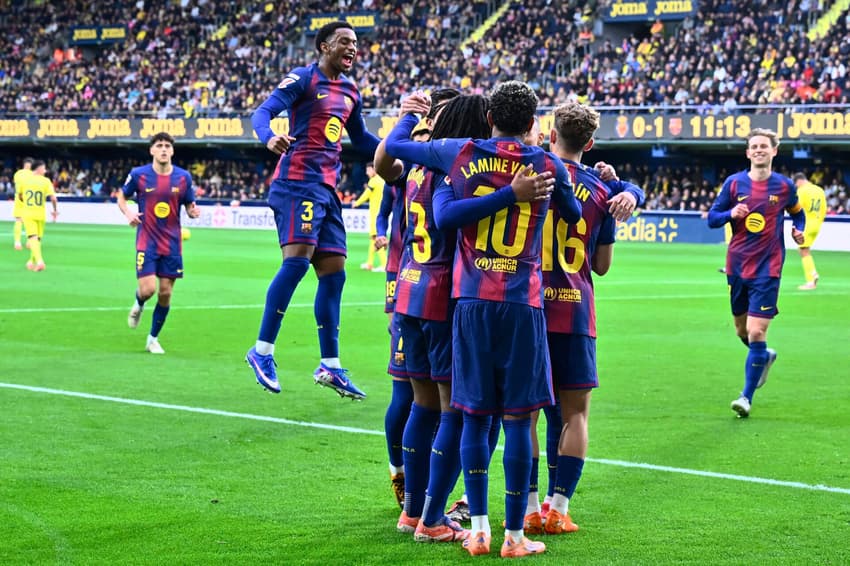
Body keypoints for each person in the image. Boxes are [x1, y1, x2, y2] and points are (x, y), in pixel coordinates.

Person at [386, 81, 581, 558]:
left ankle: (476, 530)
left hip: (468, 301)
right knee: (517, 420)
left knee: (469, 415)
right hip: (521, 303)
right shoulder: (546, 163)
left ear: (490, 118)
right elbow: (574, 213)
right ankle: (513, 536)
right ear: (532, 122)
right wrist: (526, 190)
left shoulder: (458, 153)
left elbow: (397, 149)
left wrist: (410, 114)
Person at [246, 21, 380, 399]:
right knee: (296, 263)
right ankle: (261, 351)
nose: (352, 48)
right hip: (297, 182)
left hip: (327, 189)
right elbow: (263, 112)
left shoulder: (351, 90)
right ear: (324, 46)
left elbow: (361, 139)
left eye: (355, 43)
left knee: (334, 274)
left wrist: (401, 149)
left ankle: (330, 366)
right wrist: (269, 136)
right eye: (344, 41)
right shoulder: (303, 78)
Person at [538, 102, 644, 535]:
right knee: (574, 415)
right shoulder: (602, 191)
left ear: (551, 135)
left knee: (530, 414)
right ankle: (559, 508)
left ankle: (531, 506)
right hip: (574, 312)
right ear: (591, 143)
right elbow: (601, 266)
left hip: (529, 308)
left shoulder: (532, 173)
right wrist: (627, 190)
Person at [707, 129, 805, 418]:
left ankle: (746, 397)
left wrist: (798, 228)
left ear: (774, 151)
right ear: (748, 153)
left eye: (764, 146)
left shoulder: (784, 186)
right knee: (742, 331)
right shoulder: (734, 183)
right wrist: (730, 214)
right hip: (737, 266)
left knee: (756, 330)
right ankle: (763, 355)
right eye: (754, 146)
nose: (759, 149)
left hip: (768, 268)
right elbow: (712, 218)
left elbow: (798, 213)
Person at [117, 132, 201, 354]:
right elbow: (122, 196)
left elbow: (189, 204)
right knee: (148, 290)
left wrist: (192, 211)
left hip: (172, 243)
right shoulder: (138, 175)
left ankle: (152, 339)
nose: (164, 149)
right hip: (147, 241)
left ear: (172, 151)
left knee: (165, 293)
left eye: (167, 146)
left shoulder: (183, 177)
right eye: (159, 145)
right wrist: (128, 213)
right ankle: (139, 303)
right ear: (152, 150)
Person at [18, 160, 58, 271]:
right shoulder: (46, 181)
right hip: (40, 213)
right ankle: (31, 261)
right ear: (39, 168)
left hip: (28, 213)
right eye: (44, 168)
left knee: (32, 238)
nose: (45, 171)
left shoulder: (25, 180)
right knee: (37, 239)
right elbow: (53, 198)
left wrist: (27, 201)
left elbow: (20, 196)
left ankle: (39, 262)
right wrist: (55, 210)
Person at [791, 172, 826, 290]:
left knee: (803, 250)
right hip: (817, 224)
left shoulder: (802, 191)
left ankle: (811, 279)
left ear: (799, 181)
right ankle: (813, 274)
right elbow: (824, 209)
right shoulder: (819, 190)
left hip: (806, 223)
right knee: (805, 249)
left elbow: (798, 207)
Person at [352, 163, 387, 271]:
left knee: (377, 239)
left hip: (375, 214)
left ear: (374, 170)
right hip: (380, 213)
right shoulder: (383, 180)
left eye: (368, 170)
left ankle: (384, 264)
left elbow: (366, 195)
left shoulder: (373, 181)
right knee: (373, 238)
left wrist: (357, 203)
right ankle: (369, 263)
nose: (367, 173)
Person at [13, 157, 34, 250]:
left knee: (18, 220)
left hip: (19, 198)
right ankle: (29, 242)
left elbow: (16, 184)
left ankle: (17, 242)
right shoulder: (33, 174)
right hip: (30, 199)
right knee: (29, 221)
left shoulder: (17, 173)